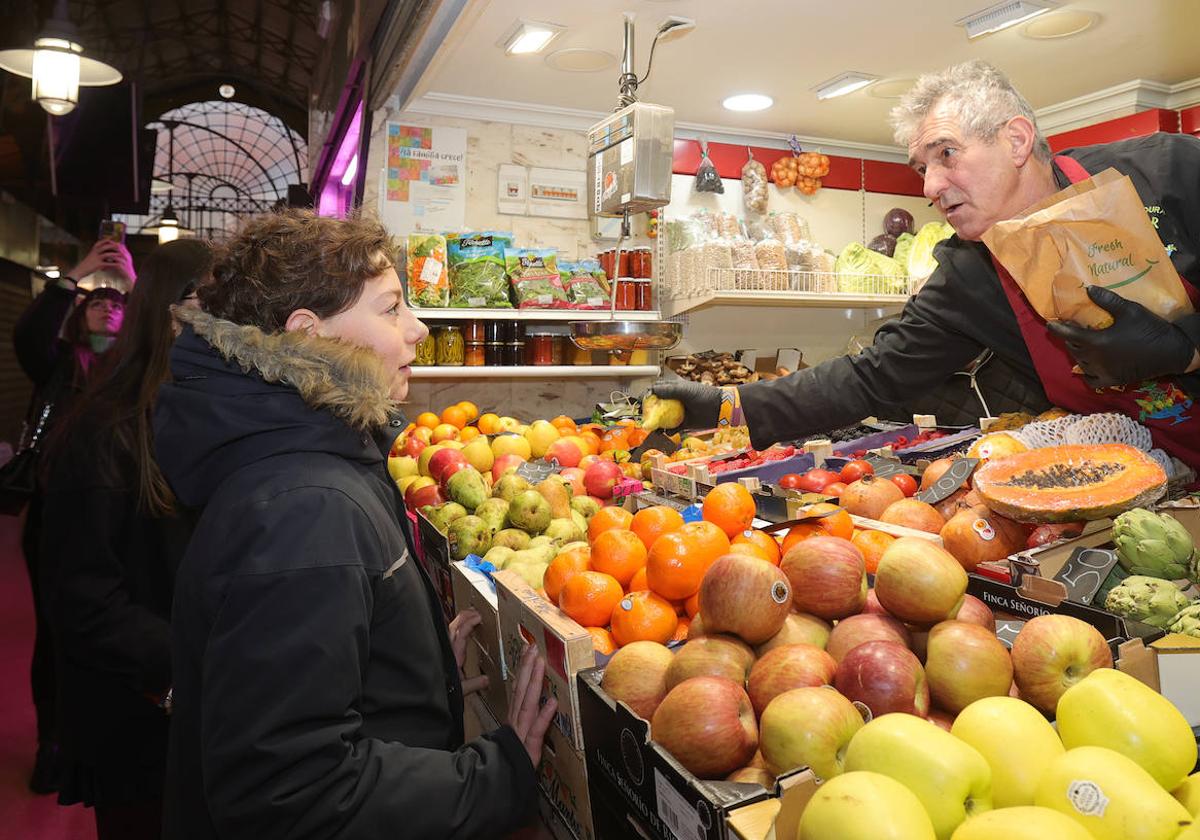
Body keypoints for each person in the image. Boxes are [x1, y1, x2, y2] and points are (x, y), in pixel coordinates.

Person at [152, 209, 556, 840]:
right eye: (391, 308)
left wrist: (410, 667)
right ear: (311, 336)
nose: (418, 329)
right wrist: (497, 776)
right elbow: (289, 791)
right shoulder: (304, 506)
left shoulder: (312, 452)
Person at [651, 60, 1200, 469]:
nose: (931, 187)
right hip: (1158, 475)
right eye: (920, 167)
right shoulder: (968, 271)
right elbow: (870, 377)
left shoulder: (1170, 172)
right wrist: (725, 406)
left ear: (1015, 140)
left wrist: (1187, 351)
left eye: (946, 154)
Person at [38, 239, 213, 839]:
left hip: (198, 707)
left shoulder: (202, 414)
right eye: (214, 305)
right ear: (172, 312)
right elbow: (83, 600)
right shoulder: (104, 431)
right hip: (138, 716)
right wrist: (195, 659)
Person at [12, 238, 135, 793]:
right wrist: (79, 274)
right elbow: (30, 334)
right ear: (79, 316)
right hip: (57, 521)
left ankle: (100, 737)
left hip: (125, 519)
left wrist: (133, 286)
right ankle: (54, 743)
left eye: (118, 303)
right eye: (96, 302)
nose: (107, 307)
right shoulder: (60, 366)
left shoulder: (136, 370)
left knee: (115, 625)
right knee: (57, 631)